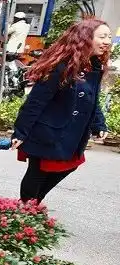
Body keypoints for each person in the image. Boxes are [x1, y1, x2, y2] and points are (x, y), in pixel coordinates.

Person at [12, 19, 111, 203]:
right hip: (49, 131)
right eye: (102, 36)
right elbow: (36, 102)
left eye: (109, 37)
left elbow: (93, 100)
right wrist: (21, 131)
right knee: (38, 172)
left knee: (69, 166)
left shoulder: (94, 66)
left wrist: (99, 123)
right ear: (85, 38)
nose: (107, 41)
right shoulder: (61, 66)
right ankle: (26, 208)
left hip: (75, 134)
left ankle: (32, 205)